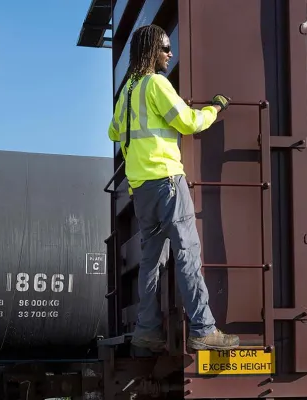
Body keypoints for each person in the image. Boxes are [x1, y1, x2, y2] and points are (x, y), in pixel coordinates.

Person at [107, 24, 239, 351]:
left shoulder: (127, 92)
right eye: (165, 48)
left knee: (150, 263)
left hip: (142, 191)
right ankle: (204, 329)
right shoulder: (156, 84)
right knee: (187, 254)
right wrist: (216, 108)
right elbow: (189, 123)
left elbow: (113, 133)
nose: (170, 53)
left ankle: (147, 330)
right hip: (167, 182)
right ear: (153, 50)